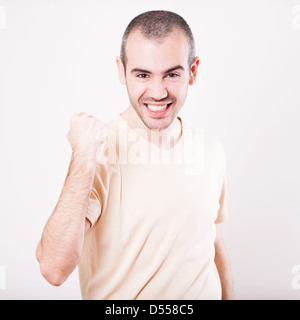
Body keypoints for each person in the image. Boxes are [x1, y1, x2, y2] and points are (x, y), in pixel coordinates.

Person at [36, 10, 234, 300]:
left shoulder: (210, 150)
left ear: (192, 71)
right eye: (143, 74)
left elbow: (212, 241)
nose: (157, 92)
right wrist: (84, 156)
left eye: (172, 74)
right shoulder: (97, 154)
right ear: (121, 70)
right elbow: (53, 269)